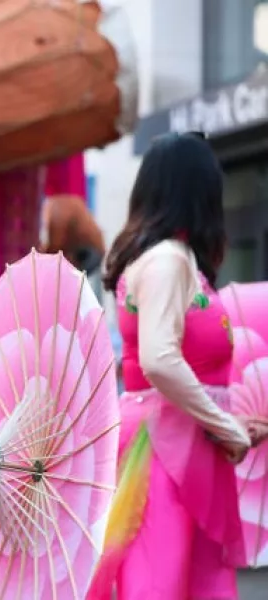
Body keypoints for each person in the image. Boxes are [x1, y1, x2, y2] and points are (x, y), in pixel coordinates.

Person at [89, 132, 256, 599]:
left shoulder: (174, 260)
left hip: (183, 441)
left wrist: (228, 422)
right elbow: (159, 360)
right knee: (159, 579)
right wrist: (224, 423)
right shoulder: (167, 260)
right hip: (163, 448)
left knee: (185, 579)